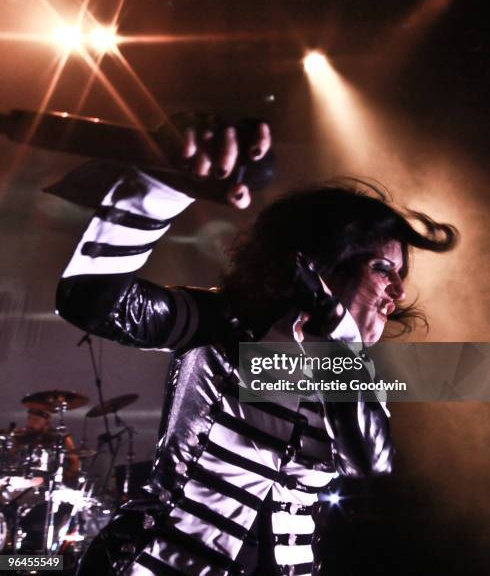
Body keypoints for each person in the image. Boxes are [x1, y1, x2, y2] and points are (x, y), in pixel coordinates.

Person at [55, 121, 457, 575]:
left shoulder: (356, 373)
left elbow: (368, 460)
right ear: (327, 261)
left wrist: (335, 339)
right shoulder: (222, 322)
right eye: (384, 268)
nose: (399, 292)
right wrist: (162, 186)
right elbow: (88, 303)